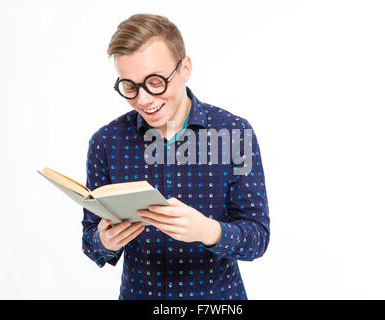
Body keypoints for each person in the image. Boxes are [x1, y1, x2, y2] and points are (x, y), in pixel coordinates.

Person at [82, 13, 270, 300]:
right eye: (129, 86)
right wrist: (104, 241)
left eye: (155, 82)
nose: (143, 99)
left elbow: (257, 237)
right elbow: (90, 240)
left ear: (185, 69)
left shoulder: (235, 133)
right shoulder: (106, 142)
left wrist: (208, 230)